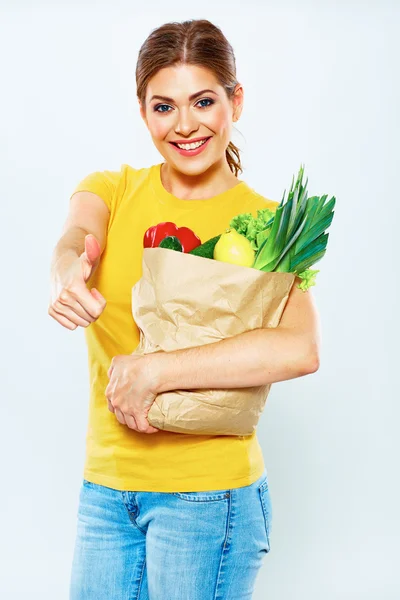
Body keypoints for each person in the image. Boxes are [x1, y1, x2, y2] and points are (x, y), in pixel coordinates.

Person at [49, 18, 320, 600]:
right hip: (105, 491)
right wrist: (67, 269)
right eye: (163, 107)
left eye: (203, 101)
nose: (186, 125)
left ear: (235, 101)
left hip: (209, 498)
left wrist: (158, 371)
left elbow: (300, 347)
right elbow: (76, 235)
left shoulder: (270, 227)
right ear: (143, 112)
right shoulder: (114, 189)